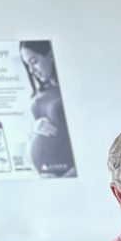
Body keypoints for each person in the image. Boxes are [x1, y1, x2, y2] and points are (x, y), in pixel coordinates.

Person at [19, 40, 75, 178]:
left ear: (50, 55)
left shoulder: (70, 90)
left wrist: (68, 176)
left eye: (34, 61)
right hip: (46, 177)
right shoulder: (41, 92)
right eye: (28, 65)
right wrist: (35, 127)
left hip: (67, 175)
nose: (31, 70)